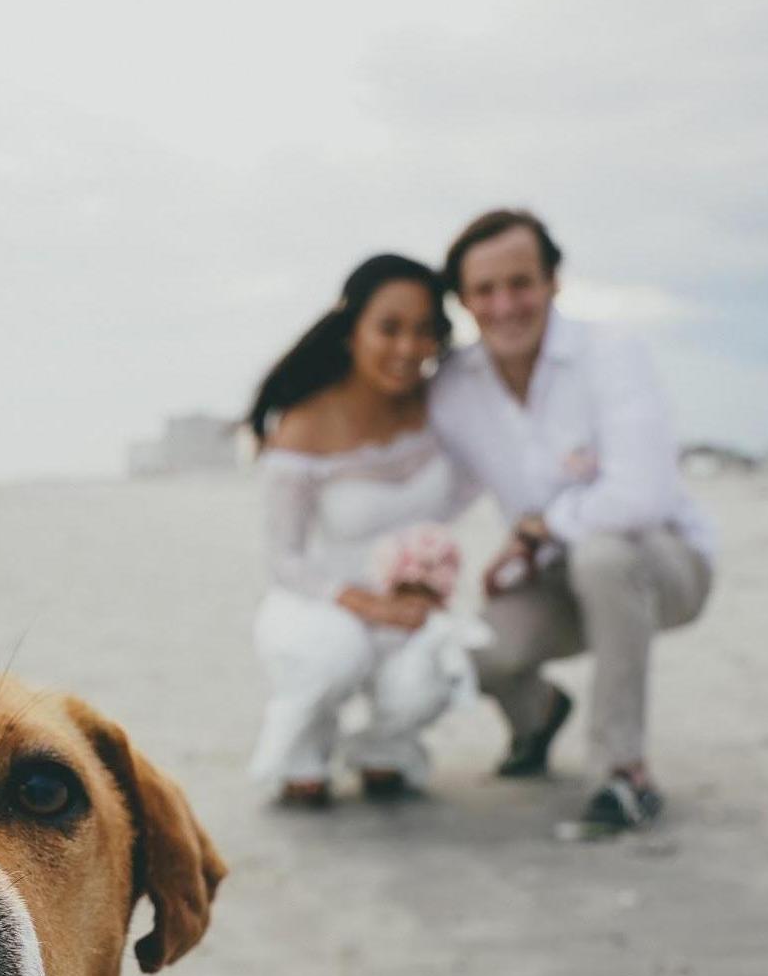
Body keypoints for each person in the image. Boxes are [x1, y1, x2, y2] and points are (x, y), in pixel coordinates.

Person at [431, 208, 715, 833]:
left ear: (553, 280)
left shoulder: (612, 354)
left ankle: (624, 773)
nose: (505, 304)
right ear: (463, 301)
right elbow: (434, 495)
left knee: (604, 555)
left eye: (521, 282)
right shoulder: (455, 387)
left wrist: (538, 529)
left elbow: (642, 495)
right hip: (554, 577)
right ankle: (538, 715)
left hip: (664, 565)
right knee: (472, 653)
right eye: (484, 289)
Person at [246, 255, 477, 806]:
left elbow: (471, 486)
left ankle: (383, 747)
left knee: (434, 673)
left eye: (425, 330)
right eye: (389, 328)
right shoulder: (304, 424)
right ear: (352, 330)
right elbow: (284, 559)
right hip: (317, 600)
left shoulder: (438, 406)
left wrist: (425, 585)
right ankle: (303, 751)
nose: (407, 348)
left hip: (406, 601)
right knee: (334, 654)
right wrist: (368, 606)